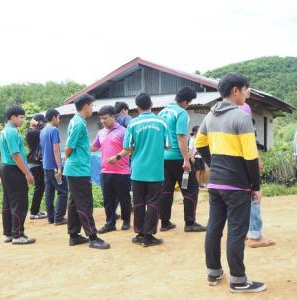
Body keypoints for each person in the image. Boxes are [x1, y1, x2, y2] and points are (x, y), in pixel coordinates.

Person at [196, 72, 266, 293]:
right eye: (247, 89)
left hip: (216, 183)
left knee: (214, 228)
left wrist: (214, 163)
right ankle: (238, 280)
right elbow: (250, 156)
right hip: (236, 185)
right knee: (237, 231)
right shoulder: (241, 117)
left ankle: (213, 271)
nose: (248, 94)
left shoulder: (210, 115)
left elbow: (199, 143)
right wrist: (255, 187)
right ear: (235, 90)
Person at [109, 93, 169, 247]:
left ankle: (140, 234)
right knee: (153, 203)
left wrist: (117, 157)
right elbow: (168, 145)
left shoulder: (133, 124)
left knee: (138, 203)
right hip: (155, 171)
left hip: (137, 171)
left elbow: (128, 147)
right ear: (151, 104)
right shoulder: (161, 123)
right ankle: (149, 237)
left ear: (137, 106)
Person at [63, 94, 110, 249]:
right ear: (85, 106)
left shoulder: (75, 120)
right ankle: (92, 237)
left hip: (75, 168)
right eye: (91, 106)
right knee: (85, 203)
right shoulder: (79, 124)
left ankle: (74, 235)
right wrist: (68, 158)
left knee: (74, 202)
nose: (92, 109)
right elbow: (69, 146)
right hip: (78, 169)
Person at [158, 87, 206, 233]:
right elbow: (180, 137)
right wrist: (186, 159)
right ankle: (190, 222)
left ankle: (165, 222)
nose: (188, 105)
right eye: (189, 102)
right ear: (185, 101)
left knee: (166, 190)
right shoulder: (181, 113)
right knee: (190, 189)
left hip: (163, 158)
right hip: (178, 158)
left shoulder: (162, 112)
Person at [238, 102, 276, 248]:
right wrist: (258, 161)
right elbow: (250, 146)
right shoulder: (244, 109)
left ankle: (243, 233)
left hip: (231, 167)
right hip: (246, 165)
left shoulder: (220, 114)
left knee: (239, 201)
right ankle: (255, 235)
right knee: (254, 197)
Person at [91, 105, 131, 233]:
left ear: (113, 117)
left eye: (105, 118)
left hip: (121, 172)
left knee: (124, 198)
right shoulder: (101, 132)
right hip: (105, 171)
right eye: (101, 119)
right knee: (108, 200)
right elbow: (94, 147)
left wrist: (117, 157)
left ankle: (126, 221)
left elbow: (129, 149)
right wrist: (78, 148)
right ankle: (110, 223)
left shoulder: (123, 131)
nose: (103, 121)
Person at [0, 105, 36, 245]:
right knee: (19, 202)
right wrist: (27, 174)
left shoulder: (5, 130)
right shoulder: (12, 132)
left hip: (5, 168)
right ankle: (18, 235)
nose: (22, 120)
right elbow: (16, 155)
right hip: (14, 169)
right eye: (21, 117)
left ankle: (9, 233)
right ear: (13, 117)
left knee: (8, 201)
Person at [40, 109, 68, 225]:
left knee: (49, 192)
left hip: (46, 165)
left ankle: (51, 217)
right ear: (54, 118)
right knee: (64, 191)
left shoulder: (43, 130)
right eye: (58, 117)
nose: (59, 120)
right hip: (54, 166)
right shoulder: (54, 130)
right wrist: (59, 167)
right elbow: (56, 150)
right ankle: (59, 218)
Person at [26, 114, 47, 220]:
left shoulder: (32, 131)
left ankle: (35, 210)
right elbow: (42, 130)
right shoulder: (33, 132)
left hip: (35, 163)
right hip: (36, 163)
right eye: (42, 122)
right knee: (39, 187)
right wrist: (35, 124)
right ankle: (34, 212)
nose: (44, 123)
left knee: (40, 187)